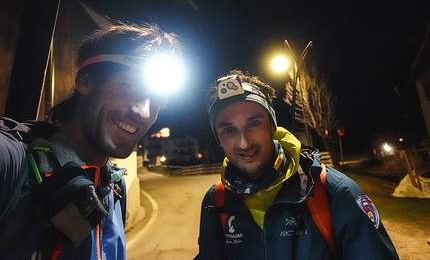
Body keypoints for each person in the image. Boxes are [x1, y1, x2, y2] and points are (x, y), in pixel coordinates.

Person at [0, 22, 182, 259]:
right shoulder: (14, 161)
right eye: (130, 86)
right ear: (85, 81)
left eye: (156, 100)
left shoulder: (114, 186)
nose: (145, 113)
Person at [197, 70, 399, 259]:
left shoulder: (332, 191)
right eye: (228, 130)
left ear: (273, 126)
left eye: (253, 124)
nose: (244, 143)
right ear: (218, 139)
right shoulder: (216, 201)